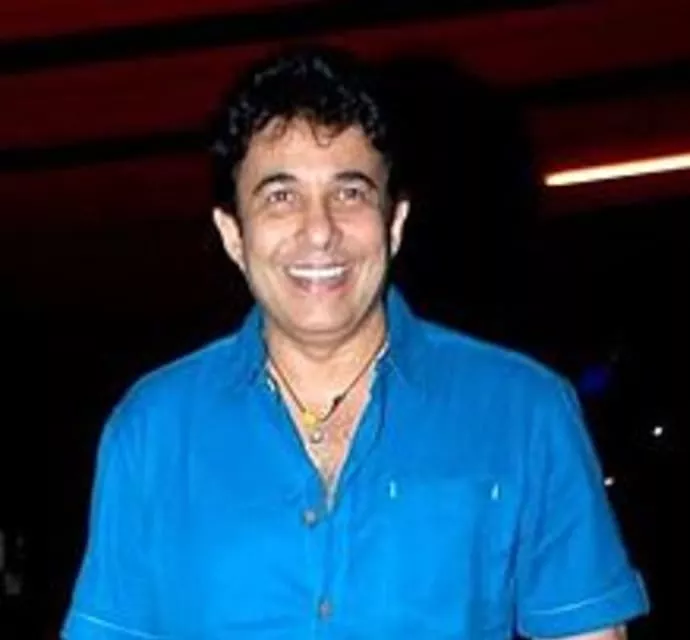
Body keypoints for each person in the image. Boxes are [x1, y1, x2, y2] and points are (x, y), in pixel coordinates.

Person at [61, 46, 649, 639]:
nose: (319, 231)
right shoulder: (154, 427)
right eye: (280, 196)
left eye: (350, 193)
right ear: (233, 234)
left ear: (394, 223)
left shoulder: (523, 410)